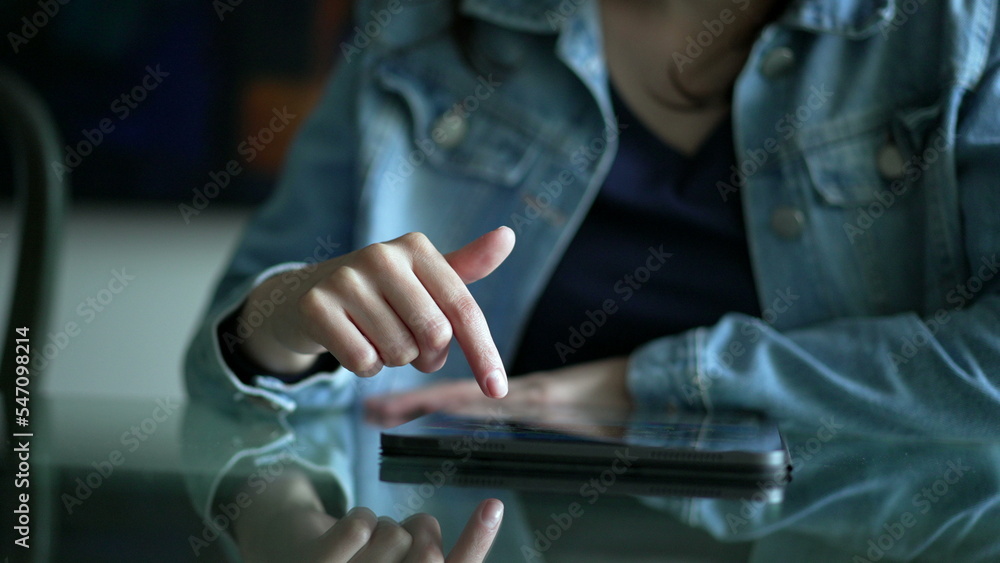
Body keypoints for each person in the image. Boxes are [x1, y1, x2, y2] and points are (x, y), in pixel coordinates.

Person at [187, 0, 1000, 454]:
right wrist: (289, 315)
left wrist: (634, 389)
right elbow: (222, 368)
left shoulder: (959, 30)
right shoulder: (420, 22)